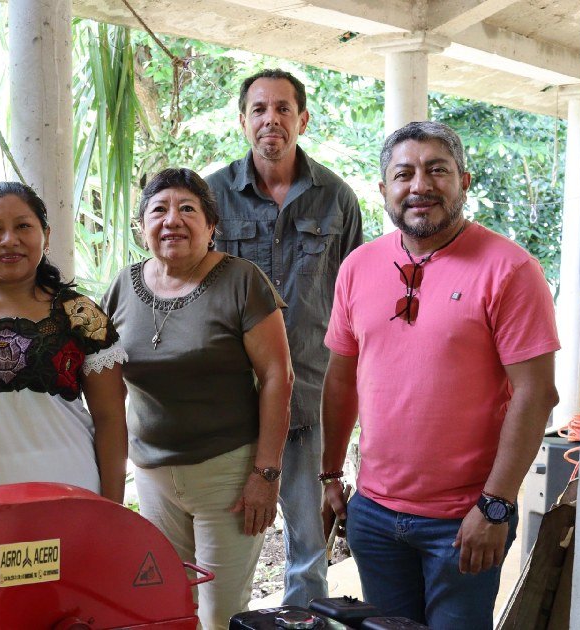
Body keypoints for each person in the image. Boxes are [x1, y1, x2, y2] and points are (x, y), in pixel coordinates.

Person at [320, 121, 560, 629]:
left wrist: (495, 506)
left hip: (464, 518)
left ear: (464, 181)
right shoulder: (358, 267)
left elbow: (535, 394)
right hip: (375, 516)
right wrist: (329, 475)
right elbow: (341, 378)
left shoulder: (510, 269)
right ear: (384, 188)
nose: (420, 185)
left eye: (437, 170)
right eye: (403, 173)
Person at [102, 168, 294, 629]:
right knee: (166, 605)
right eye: (159, 209)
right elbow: (100, 377)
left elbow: (277, 377)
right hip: (152, 477)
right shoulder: (122, 286)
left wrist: (265, 474)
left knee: (221, 611)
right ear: (141, 227)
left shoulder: (242, 280)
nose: (173, 220)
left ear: (211, 227)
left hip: (227, 474)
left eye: (188, 209)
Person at [205, 68, 363, 607]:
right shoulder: (211, 195)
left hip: (310, 395)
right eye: (258, 109)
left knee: (307, 541)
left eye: (282, 108)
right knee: (228, 538)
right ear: (242, 120)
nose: (270, 119)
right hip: (229, 397)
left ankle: (304, 620)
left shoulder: (337, 200)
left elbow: (353, 301)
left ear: (303, 119)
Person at [0, 181, 127, 501]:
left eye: (23, 226)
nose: (9, 240)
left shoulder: (82, 316)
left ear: (46, 236)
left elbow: (110, 420)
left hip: (70, 493)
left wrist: (111, 510)